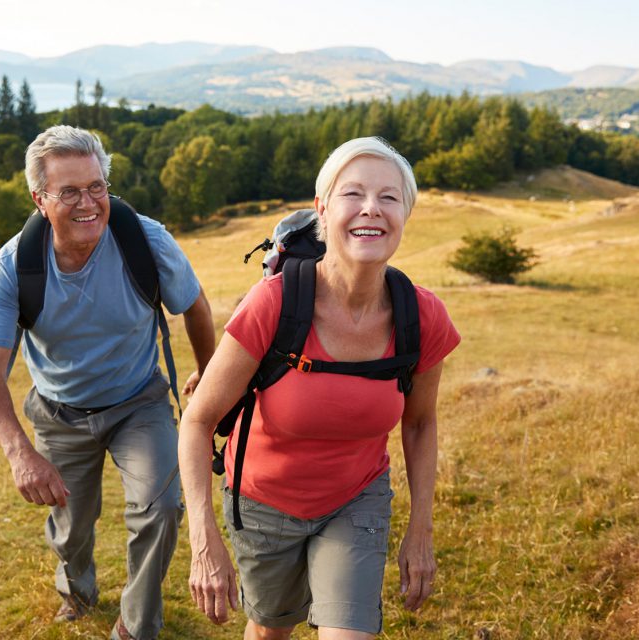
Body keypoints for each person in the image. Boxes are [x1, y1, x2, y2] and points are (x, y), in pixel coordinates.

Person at [177, 137, 460, 639]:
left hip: (356, 498)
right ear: (322, 210)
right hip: (264, 501)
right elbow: (197, 420)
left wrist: (421, 529)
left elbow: (419, 422)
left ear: (405, 215)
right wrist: (204, 541)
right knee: (269, 631)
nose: (371, 208)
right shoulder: (273, 303)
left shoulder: (422, 315)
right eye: (353, 194)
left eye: (389, 197)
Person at [0, 125, 216, 640]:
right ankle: (76, 592)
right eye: (69, 192)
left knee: (162, 506)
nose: (89, 203)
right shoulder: (15, 266)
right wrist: (20, 452)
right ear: (40, 199)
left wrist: (209, 375)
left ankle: (136, 624)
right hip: (59, 412)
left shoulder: (145, 240)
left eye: (97, 186)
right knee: (70, 528)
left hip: (138, 402)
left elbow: (194, 307)